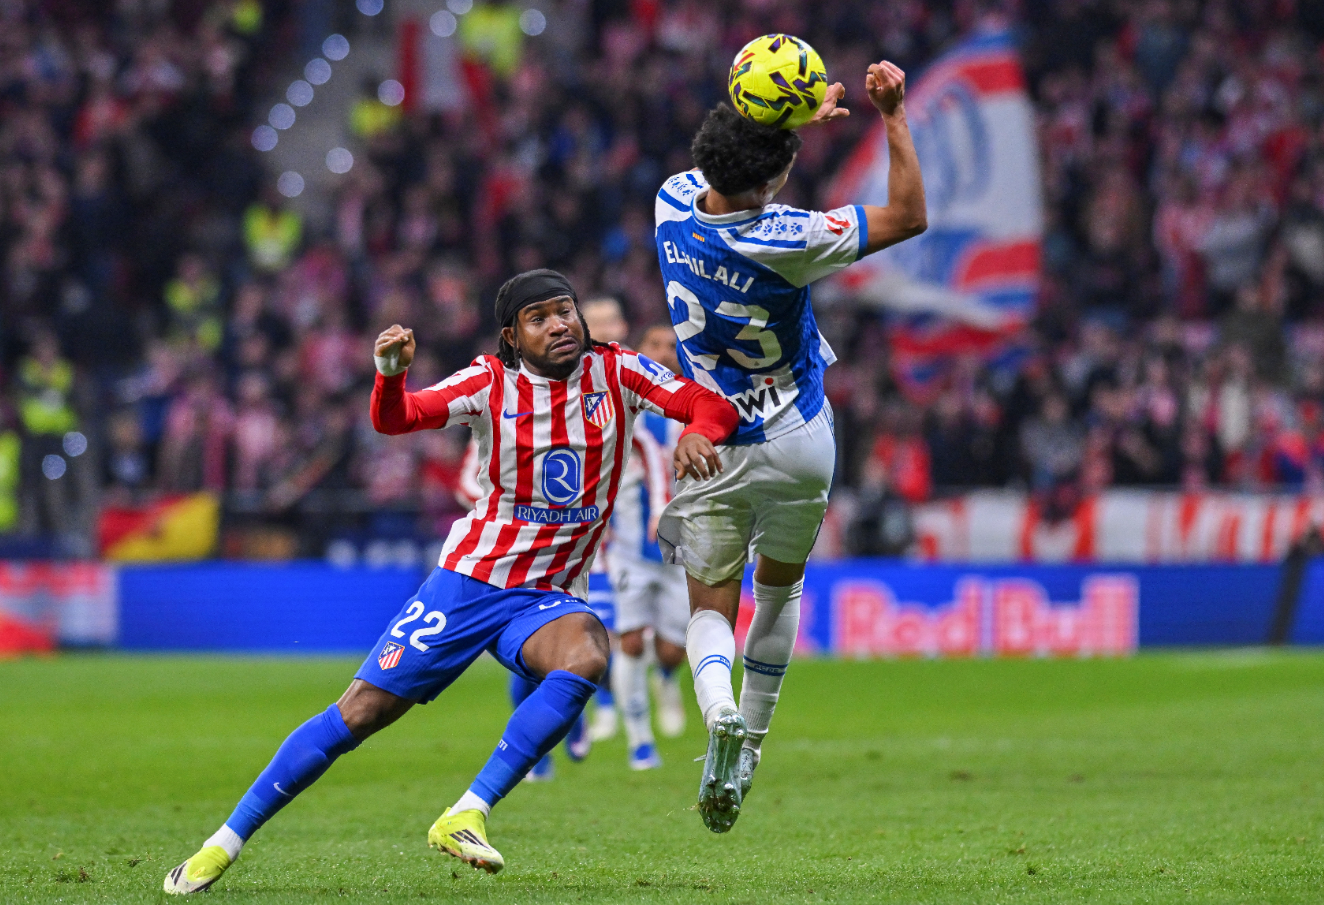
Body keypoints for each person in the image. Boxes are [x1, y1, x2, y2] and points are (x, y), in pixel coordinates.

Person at [164, 269, 737, 894]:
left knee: (585, 654)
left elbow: (708, 404)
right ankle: (221, 844)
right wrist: (389, 374)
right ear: (512, 336)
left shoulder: (618, 370)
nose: (560, 324)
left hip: (545, 596)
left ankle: (466, 812)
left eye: (565, 310)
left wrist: (698, 433)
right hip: (471, 581)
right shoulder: (488, 382)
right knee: (360, 714)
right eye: (539, 317)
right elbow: (399, 419)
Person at [654, 61, 927, 832]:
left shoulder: (670, 200)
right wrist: (893, 114)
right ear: (775, 177)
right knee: (779, 590)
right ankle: (751, 751)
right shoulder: (793, 237)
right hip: (796, 438)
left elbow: (726, 155)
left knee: (709, 603)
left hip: (712, 442)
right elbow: (907, 214)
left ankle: (716, 713)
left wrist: (782, 124)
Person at [607, 323, 693, 769]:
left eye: (671, 347)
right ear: (639, 352)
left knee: (670, 651)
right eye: (654, 345)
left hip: (679, 550)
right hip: (628, 547)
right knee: (631, 642)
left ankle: (667, 680)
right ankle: (639, 740)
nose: (663, 354)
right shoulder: (623, 405)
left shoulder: (689, 406)